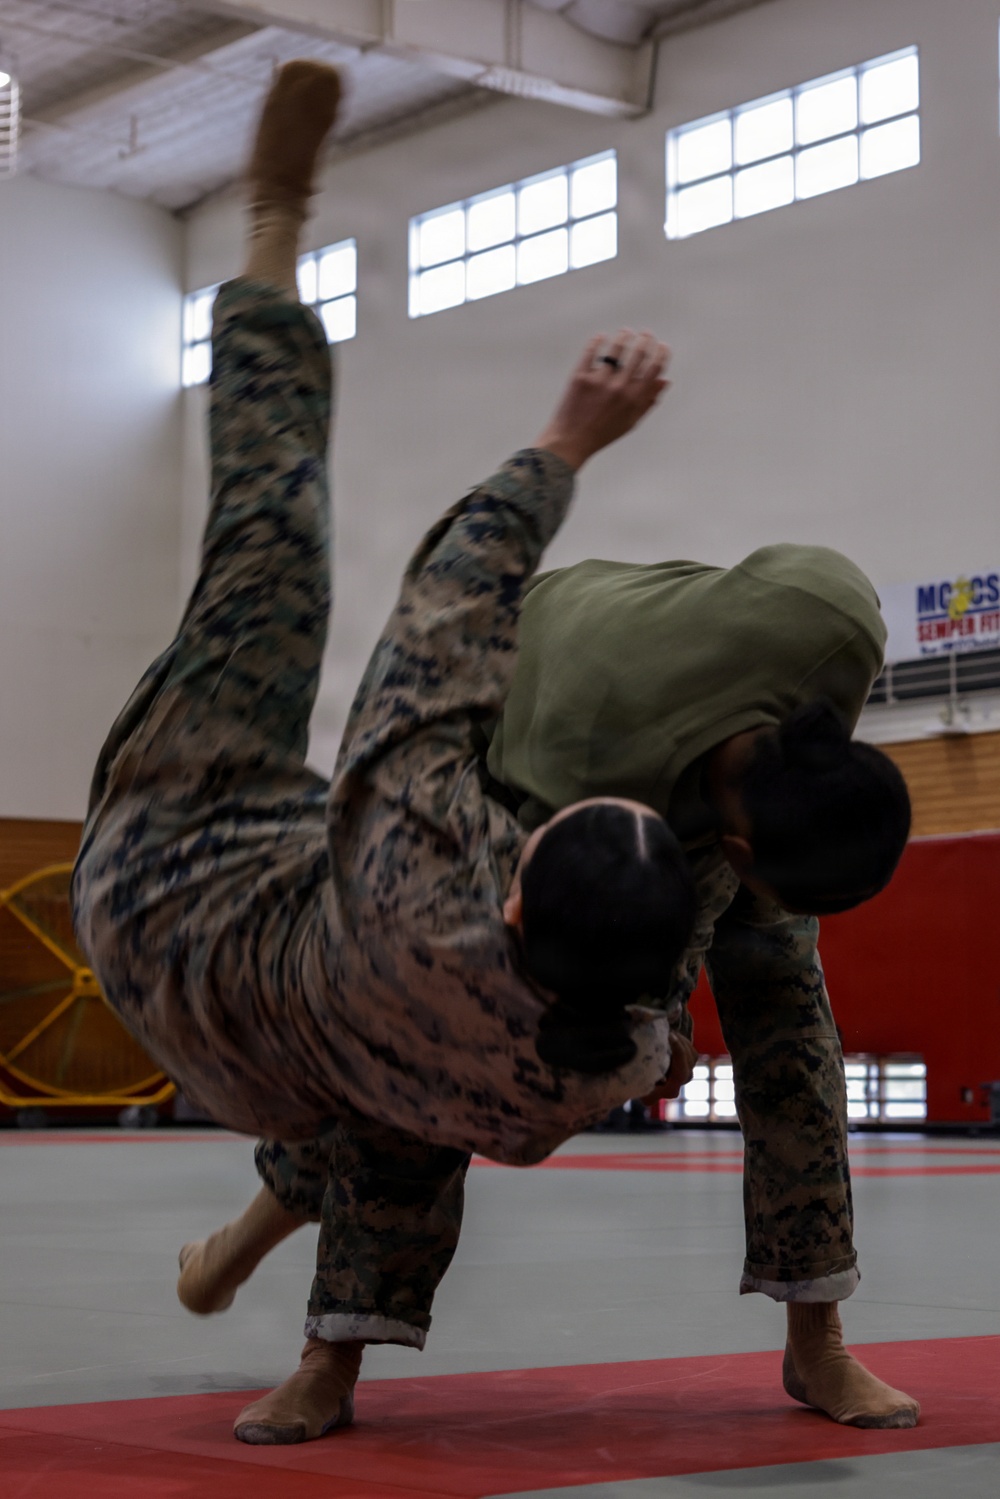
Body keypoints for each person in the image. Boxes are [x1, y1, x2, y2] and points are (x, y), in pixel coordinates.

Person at [169, 78, 920, 1444]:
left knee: (793, 1036)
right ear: (733, 851)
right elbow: (455, 612)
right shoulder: (575, 753)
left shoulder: (830, 631)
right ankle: (325, 1345)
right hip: (537, 739)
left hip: (704, 761)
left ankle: (820, 1338)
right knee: (447, 1047)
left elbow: (755, 613)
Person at [71, 61, 704, 1442]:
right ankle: (258, 1286)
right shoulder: (602, 1067)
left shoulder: (424, 871)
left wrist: (568, 444)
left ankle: (268, 233)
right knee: (409, 1109)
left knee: (273, 550)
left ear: (520, 891)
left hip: (177, 877)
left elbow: (438, 621)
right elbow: (656, 1019)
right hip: (290, 1056)